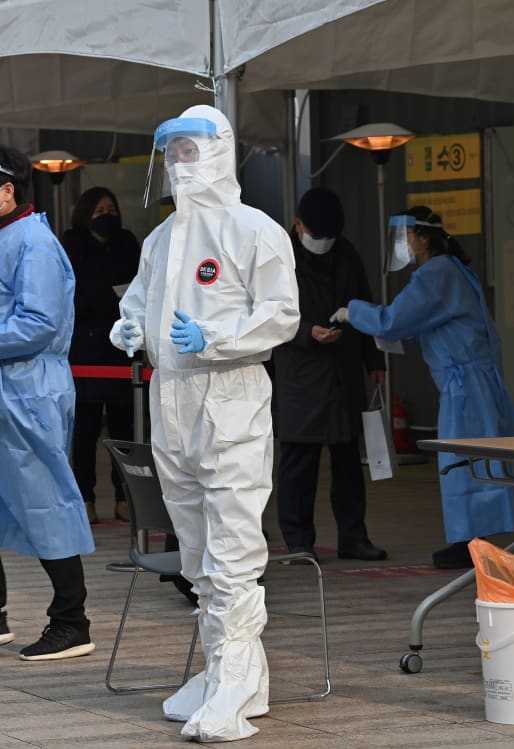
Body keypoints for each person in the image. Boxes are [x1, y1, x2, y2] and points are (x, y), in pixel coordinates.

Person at [110, 105, 299, 742]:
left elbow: (282, 316)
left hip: (231, 399)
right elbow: (136, 303)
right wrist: (129, 328)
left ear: (220, 152)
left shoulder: (255, 231)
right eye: (174, 154)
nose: (181, 164)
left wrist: (214, 336)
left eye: (192, 151)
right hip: (173, 403)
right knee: (194, 552)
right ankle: (230, 670)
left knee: (232, 553)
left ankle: (235, 680)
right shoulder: (160, 239)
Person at [0, 145, 96, 661]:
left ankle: (73, 620)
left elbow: (39, 324)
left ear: (7, 191)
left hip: (28, 392)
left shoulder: (35, 242)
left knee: (44, 499)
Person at [331, 207, 514, 570]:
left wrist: (352, 312)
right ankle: (477, 539)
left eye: (407, 236)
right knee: (480, 459)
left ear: (422, 238)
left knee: (460, 462)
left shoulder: (435, 273)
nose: (403, 244)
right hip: (475, 380)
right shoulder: (454, 269)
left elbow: (393, 321)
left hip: (463, 384)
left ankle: (468, 542)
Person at [271, 188, 388, 562]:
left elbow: (365, 305)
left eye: (328, 237)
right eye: (316, 234)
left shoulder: (347, 254)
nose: (322, 243)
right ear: (298, 224)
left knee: (348, 460)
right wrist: (308, 332)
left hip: (343, 370)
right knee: (298, 463)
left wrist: (375, 361)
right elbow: (268, 314)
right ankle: (298, 541)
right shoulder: (278, 257)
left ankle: (353, 537)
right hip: (299, 373)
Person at [62, 187, 140, 524]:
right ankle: (85, 498)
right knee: (85, 432)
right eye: (99, 209)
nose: (107, 214)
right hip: (86, 352)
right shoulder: (72, 245)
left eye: (111, 208)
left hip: (123, 350)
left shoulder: (127, 243)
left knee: (126, 431)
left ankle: (127, 498)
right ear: (85, 213)